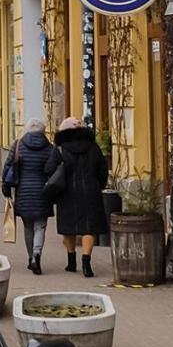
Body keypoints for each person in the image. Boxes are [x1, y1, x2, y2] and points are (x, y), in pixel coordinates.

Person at [46, 117, 110, 278]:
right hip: (91, 191)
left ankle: (71, 261)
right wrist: (99, 185)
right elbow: (103, 168)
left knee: (69, 227)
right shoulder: (93, 147)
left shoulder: (60, 149)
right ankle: (86, 262)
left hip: (67, 193)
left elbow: (50, 169)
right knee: (89, 227)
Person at [2, 117, 54, 274]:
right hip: (43, 192)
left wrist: (5, 185)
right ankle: (37, 255)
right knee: (40, 226)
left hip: (23, 192)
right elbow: (53, 169)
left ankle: (30, 256)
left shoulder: (18, 145)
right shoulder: (49, 148)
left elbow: (8, 166)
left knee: (28, 226)